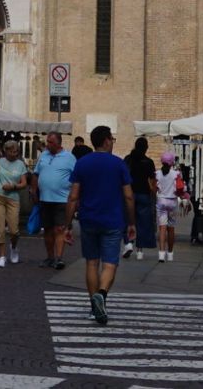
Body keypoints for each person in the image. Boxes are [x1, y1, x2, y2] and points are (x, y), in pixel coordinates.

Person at [66, 125, 135, 326]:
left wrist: (67, 225)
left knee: (91, 263)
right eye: (112, 139)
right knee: (110, 264)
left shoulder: (82, 164)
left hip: (88, 219)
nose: (113, 142)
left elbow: (73, 197)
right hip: (113, 220)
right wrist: (132, 222)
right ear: (106, 140)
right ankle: (102, 296)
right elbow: (129, 196)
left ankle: (92, 305)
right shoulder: (119, 164)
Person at [30, 132, 76, 270]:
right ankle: (50, 257)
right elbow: (36, 174)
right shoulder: (43, 155)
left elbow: (76, 178)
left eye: (51, 142)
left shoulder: (69, 157)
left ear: (58, 143)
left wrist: (75, 197)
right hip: (45, 199)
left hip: (62, 200)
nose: (48, 144)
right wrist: (33, 191)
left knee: (59, 229)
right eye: (47, 142)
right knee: (48, 230)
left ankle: (59, 258)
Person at [0, 139, 29, 267]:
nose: (15, 154)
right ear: (6, 151)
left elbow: (24, 183)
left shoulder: (20, 164)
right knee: (0, 228)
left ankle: (13, 247)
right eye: (12, 151)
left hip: (13, 199)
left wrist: (13, 186)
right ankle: (1, 256)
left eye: (16, 151)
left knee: (14, 231)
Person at [125, 136, 158, 259]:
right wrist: (154, 193)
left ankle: (128, 243)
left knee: (129, 220)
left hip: (130, 194)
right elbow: (153, 180)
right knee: (143, 223)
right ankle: (140, 251)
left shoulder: (128, 159)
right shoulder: (148, 162)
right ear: (146, 148)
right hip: (144, 194)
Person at [154, 152, 188, 262]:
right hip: (172, 202)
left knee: (162, 228)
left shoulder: (157, 173)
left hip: (161, 201)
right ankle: (170, 253)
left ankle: (161, 254)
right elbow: (181, 188)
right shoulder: (176, 174)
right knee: (171, 229)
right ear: (172, 162)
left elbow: (156, 187)